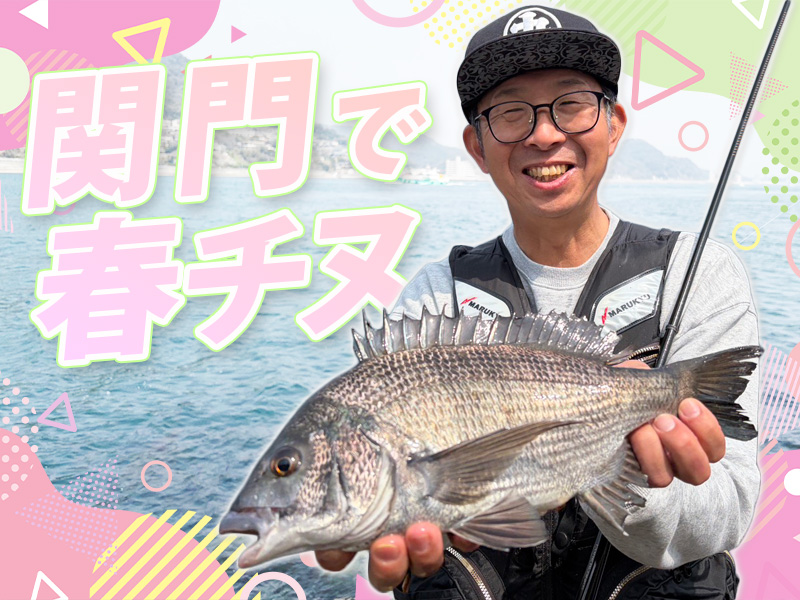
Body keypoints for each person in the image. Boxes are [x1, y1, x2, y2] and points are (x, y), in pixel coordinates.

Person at [316, 5, 760, 599]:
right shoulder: (437, 296)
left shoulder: (697, 273)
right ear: (477, 147)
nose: (544, 134)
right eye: (510, 113)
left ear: (613, 126)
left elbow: (729, 510)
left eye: (571, 104)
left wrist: (617, 475)